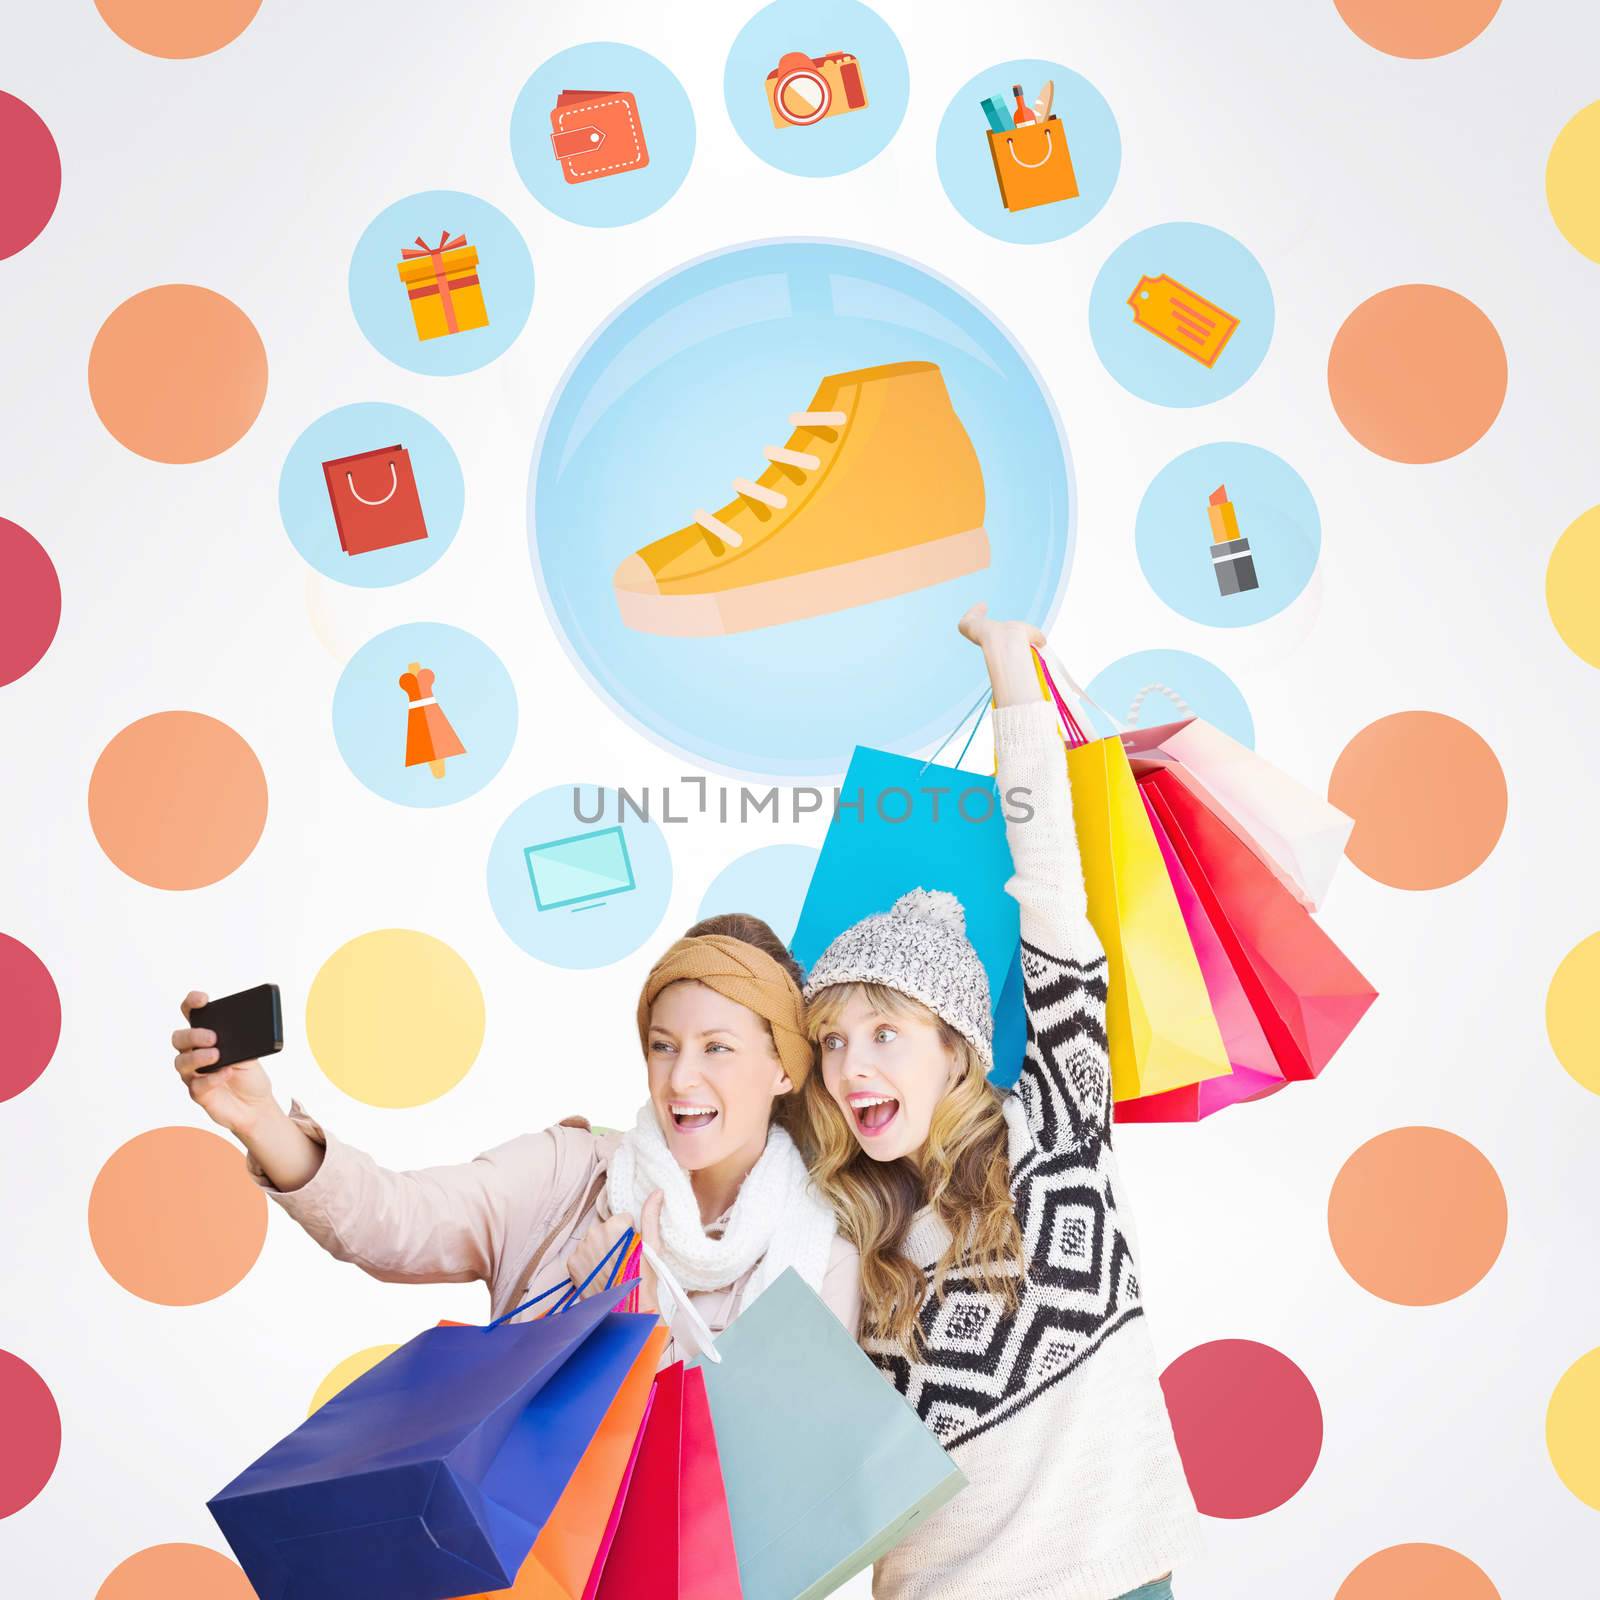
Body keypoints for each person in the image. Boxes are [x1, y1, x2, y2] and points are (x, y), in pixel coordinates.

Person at [796, 604, 1202, 1599]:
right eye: (833, 1040)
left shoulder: (1058, 1119)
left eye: (884, 1033)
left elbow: (1051, 884)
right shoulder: (844, 1225)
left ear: (958, 1048)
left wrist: (1011, 675)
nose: (851, 1066)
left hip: (1118, 1575)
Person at [171, 913, 859, 1363]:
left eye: (718, 1049)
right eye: (663, 1044)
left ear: (783, 1069)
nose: (681, 1078)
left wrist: (629, 1324)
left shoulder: (821, 1256)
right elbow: (396, 1221)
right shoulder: (571, 1172)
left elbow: (779, 1480)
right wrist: (261, 1123)